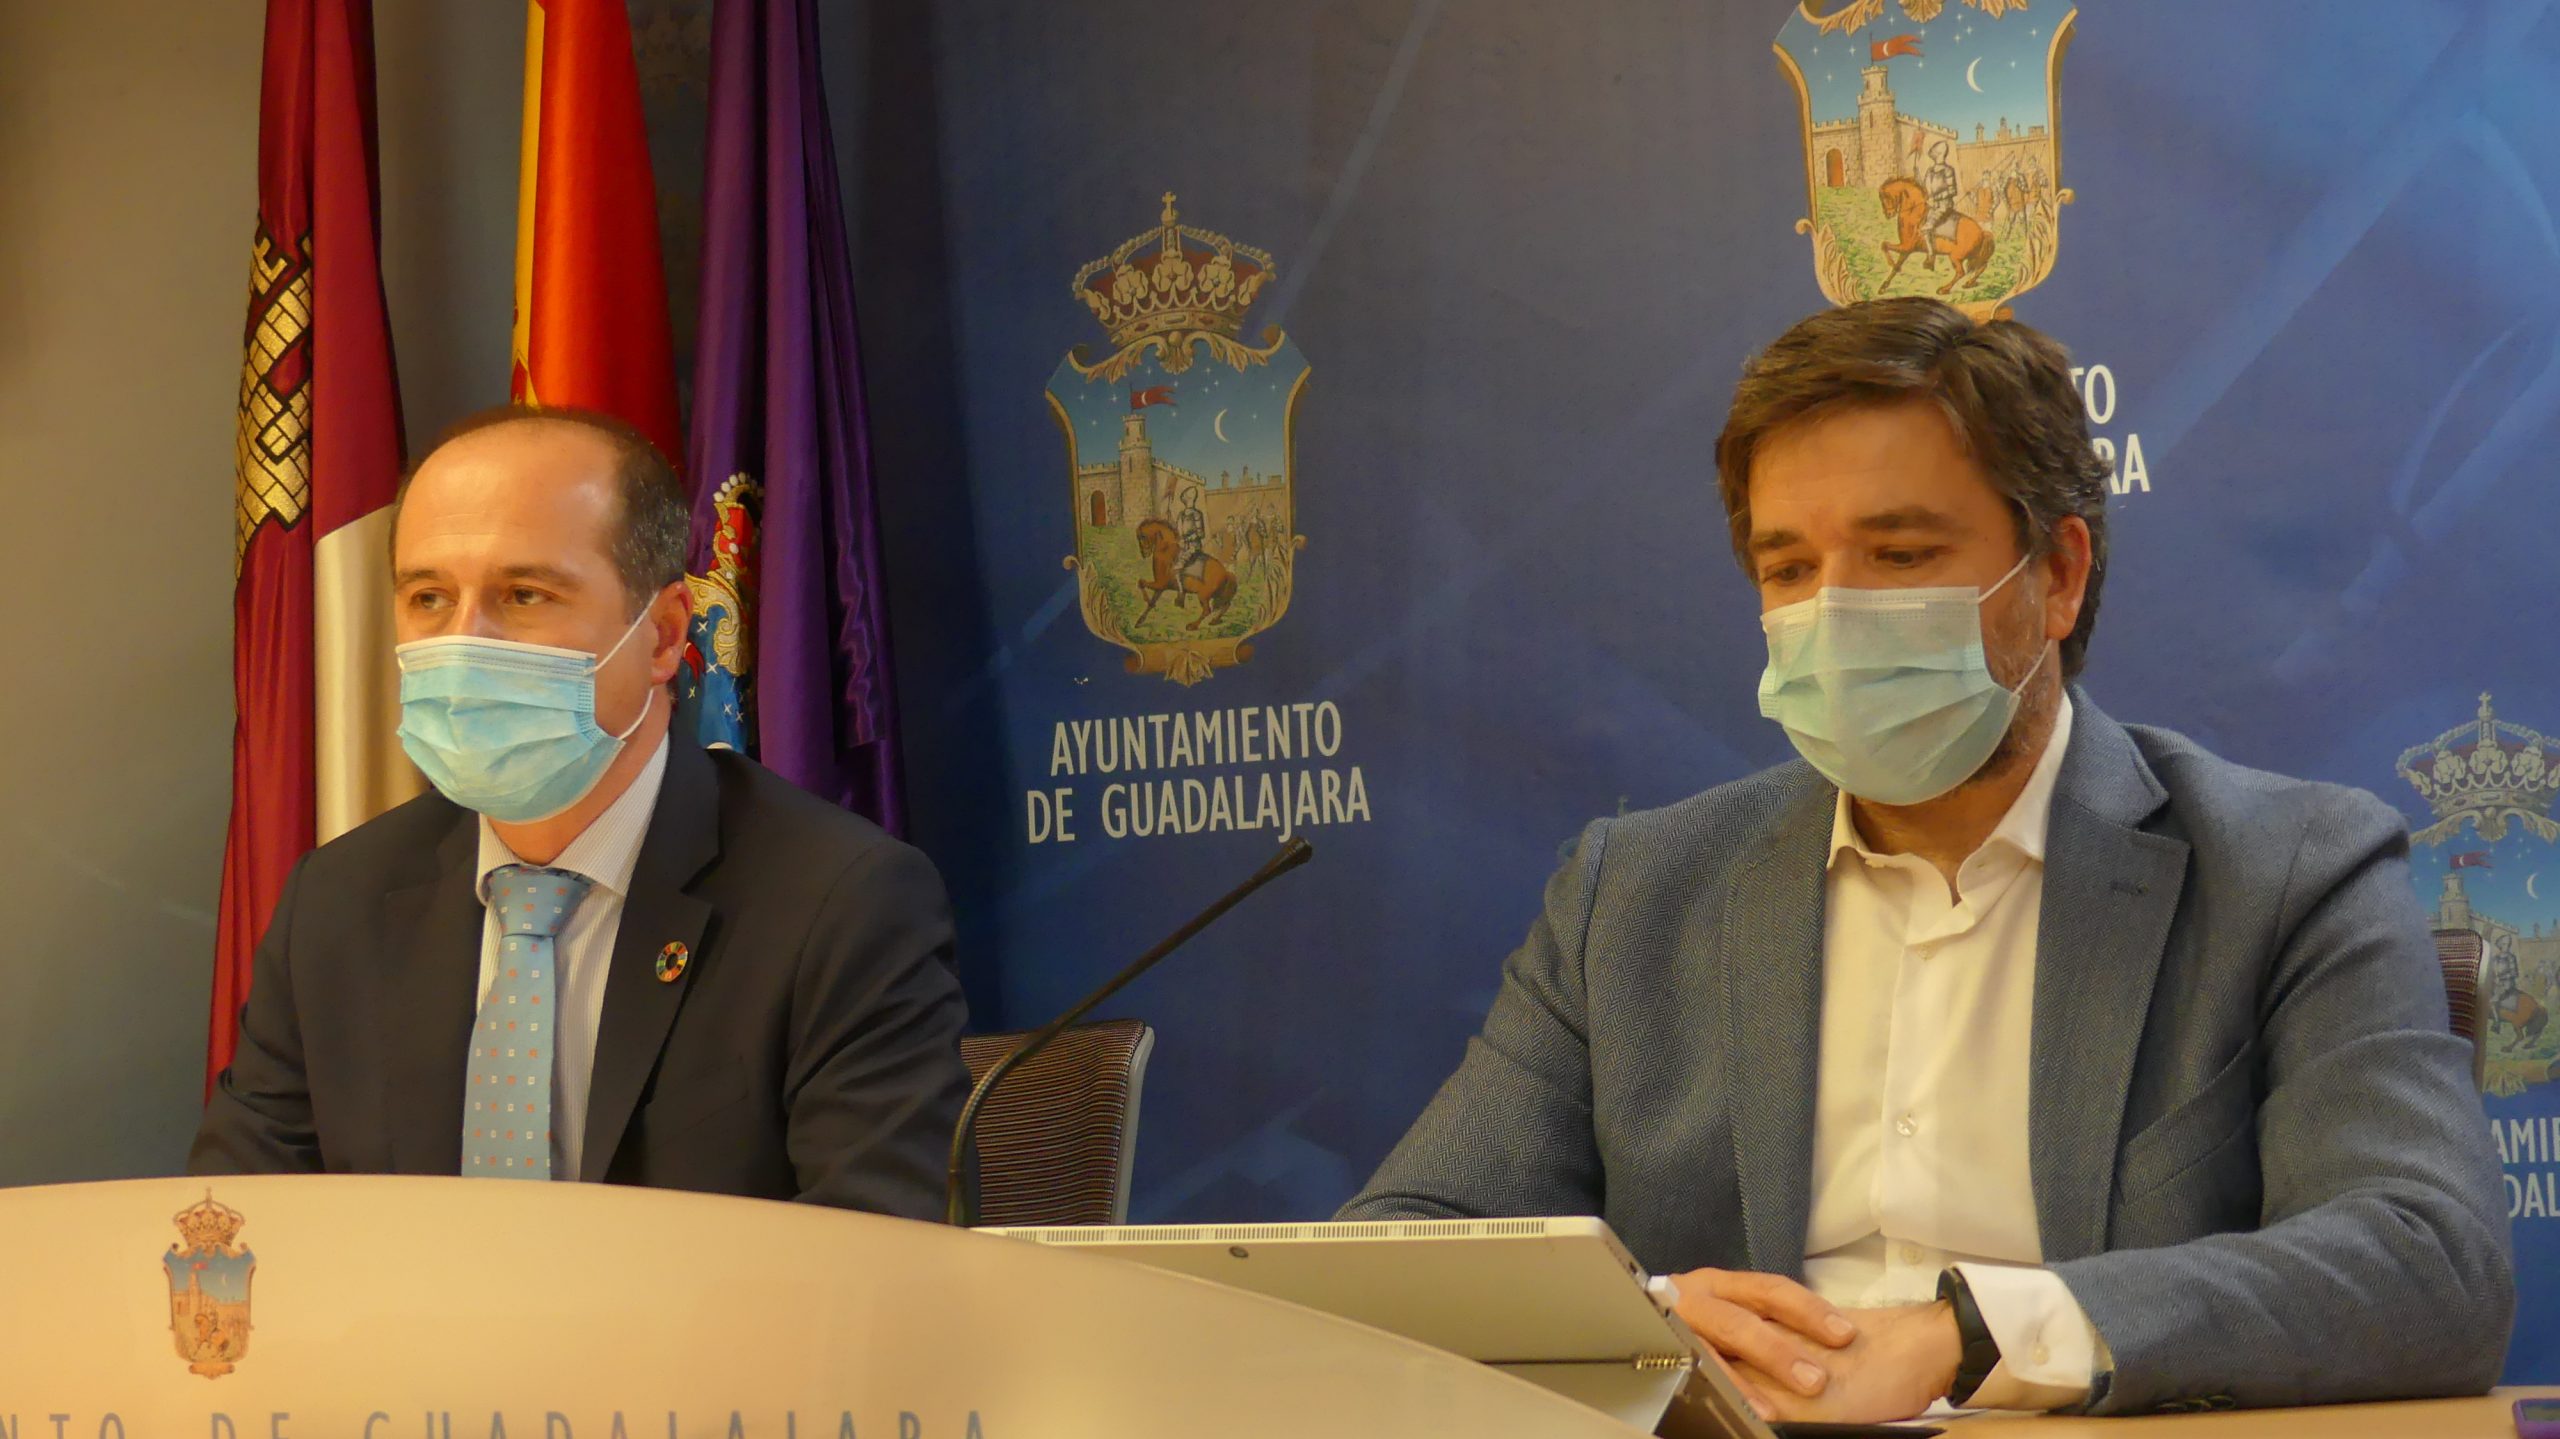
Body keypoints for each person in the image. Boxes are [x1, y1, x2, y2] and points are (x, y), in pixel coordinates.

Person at [1341, 298, 2513, 1419]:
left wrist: (1970, 1334)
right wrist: (1647, 1316)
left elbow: (2426, 1262)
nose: (1833, 615)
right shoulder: (1632, 892)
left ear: (2055, 574)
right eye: (1788, 568)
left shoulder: (2286, 868)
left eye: (1898, 555)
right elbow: (1400, 1251)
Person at [193, 406, 972, 1218]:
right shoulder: (338, 902)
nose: (464, 643)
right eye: (428, 597)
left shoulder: (839, 903)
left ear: (666, 636)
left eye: (524, 594)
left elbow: (872, 1262)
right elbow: (240, 1232)